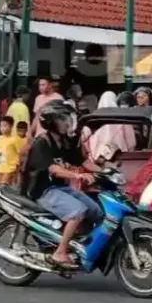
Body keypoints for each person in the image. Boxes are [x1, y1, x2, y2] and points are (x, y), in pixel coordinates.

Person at [23, 101, 104, 266]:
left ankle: (78, 243)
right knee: (77, 211)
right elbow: (53, 169)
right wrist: (78, 176)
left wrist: (106, 172)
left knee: (96, 210)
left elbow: (83, 161)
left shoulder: (64, 141)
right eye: (62, 119)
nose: (67, 122)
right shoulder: (42, 143)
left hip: (59, 187)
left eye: (67, 118)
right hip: (42, 190)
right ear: (52, 122)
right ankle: (60, 252)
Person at [81, 91, 136, 160]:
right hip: (121, 158)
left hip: (96, 158)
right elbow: (131, 142)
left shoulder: (93, 120)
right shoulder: (122, 120)